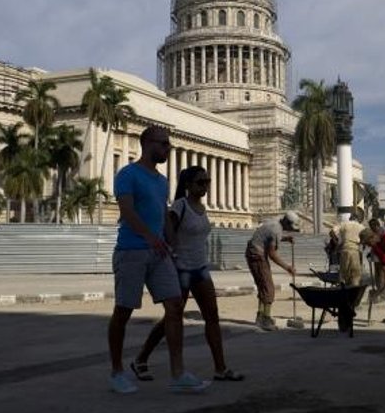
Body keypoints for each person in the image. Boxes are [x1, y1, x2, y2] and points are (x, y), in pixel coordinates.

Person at [107, 125, 209, 395]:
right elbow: (126, 211)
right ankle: (117, 372)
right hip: (132, 250)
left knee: (175, 307)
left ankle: (179, 373)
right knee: (123, 311)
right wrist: (148, 237)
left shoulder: (162, 181)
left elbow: (162, 214)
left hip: (160, 252)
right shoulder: (128, 174)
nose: (168, 148)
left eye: (168, 144)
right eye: (164, 144)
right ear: (148, 143)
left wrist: (171, 240)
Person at [131, 166, 244, 382]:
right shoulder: (179, 207)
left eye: (207, 181)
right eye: (200, 182)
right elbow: (166, 231)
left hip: (200, 269)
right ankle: (141, 358)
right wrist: (170, 258)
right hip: (180, 269)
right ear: (188, 185)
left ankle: (221, 368)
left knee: (212, 317)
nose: (205, 186)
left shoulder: (202, 207)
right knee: (171, 319)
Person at [245, 211, 299, 331]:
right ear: (286, 222)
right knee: (268, 288)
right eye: (291, 226)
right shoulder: (276, 230)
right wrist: (288, 267)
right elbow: (272, 254)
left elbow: (270, 238)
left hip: (254, 253)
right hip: (257, 256)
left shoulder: (275, 223)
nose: (291, 229)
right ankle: (265, 319)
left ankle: (260, 316)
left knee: (263, 287)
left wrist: (285, 238)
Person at [335, 213, 365, 287]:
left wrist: (337, 243)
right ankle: (354, 288)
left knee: (343, 272)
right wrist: (362, 243)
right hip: (355, 250)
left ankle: (342, 286)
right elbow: (366, 236)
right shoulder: (361, 226)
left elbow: (332, 232)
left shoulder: (344, 224)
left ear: (350, 218)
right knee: (356, 273)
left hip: (344, 249)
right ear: (357, 219)